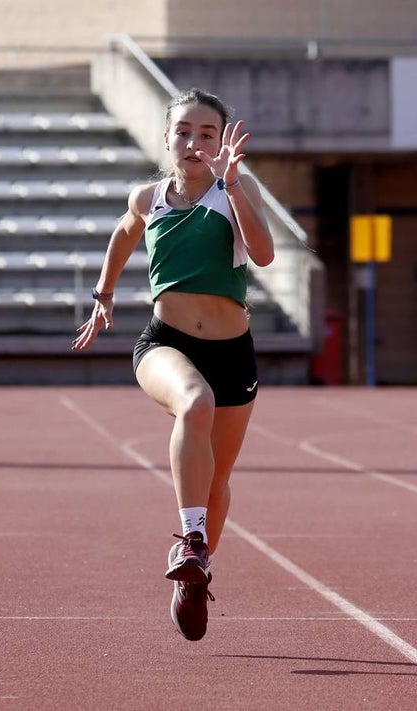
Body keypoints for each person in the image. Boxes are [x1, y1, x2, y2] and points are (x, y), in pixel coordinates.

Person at [72, 88, 274, 641]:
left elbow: (264, 254)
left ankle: (195, 570)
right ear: (166, 140)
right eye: (183, 132)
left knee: (219, 478)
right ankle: (190, 538)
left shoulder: (238, 187)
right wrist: (104, 295)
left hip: (234, 353)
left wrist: (232, 185)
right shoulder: (149, 196)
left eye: (207, 134)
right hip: (166, 342)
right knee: (195, 401)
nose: (194, 143)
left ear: (222, 141)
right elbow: (122, 232)